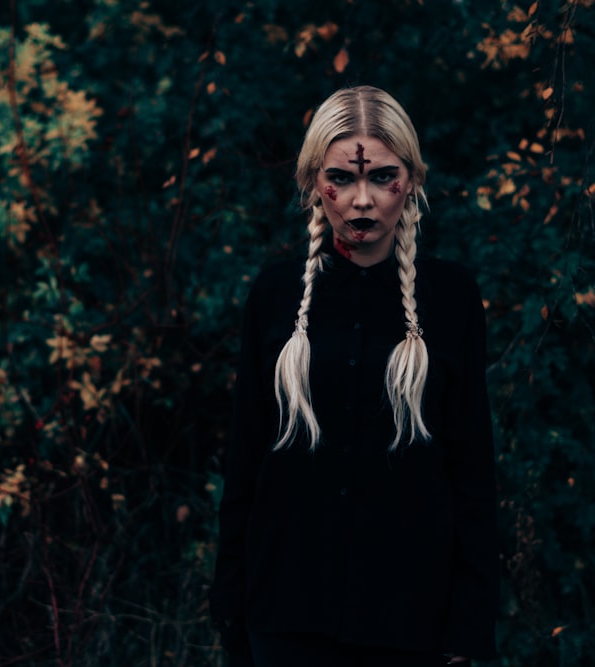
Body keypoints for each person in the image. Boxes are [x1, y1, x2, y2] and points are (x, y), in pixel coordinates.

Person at [209, 85, 498, 667]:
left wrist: (468, 624)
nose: (361, 201)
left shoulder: (451, 298)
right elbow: (244, 462)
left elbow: (472, 472)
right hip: (285, 616)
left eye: (382, 177)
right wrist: (231, 609)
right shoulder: (274, 295)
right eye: (341, 178)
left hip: (409, 620)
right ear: (315, 182)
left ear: (412, 180)